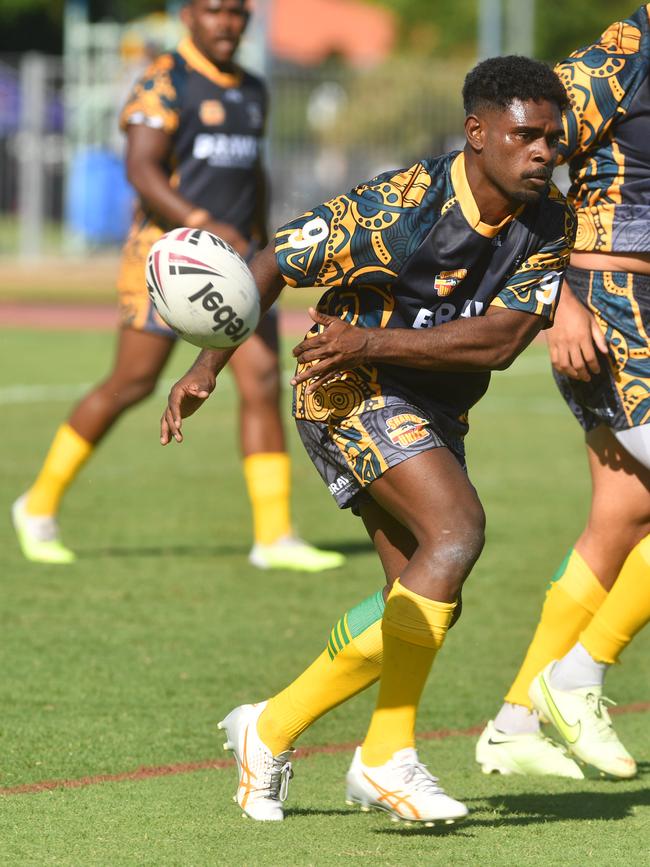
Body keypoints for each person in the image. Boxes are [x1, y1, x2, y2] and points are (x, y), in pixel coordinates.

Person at [160, 55, 574, 823]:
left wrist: (372, 343)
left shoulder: (551, 220)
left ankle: (269, 727)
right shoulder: (395, 207)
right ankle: (387, 758)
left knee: (418, 595)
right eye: (527, 136)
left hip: (417, 391)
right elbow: (275, 260)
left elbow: (501, 340)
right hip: (342, 386)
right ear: (477, 133)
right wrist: (207, 364)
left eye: (554, 136)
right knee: (456, 532)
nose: (545, 151)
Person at [11, 0, 344, 574]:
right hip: (165, 265)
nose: (228, 23)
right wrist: (199, 219)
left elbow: (252, 173)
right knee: (133, 382)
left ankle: (274, 536)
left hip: (240, 268)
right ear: (189, 15)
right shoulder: (164, 81)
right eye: (215, 11)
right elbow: (140, 169)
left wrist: (263, 245)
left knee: (262, 380)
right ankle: (36, 505)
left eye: (238, 13)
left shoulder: (253, 88)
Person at [477, 5, 650, 782]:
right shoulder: (624, 54)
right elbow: (514, 169)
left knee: (622, 519)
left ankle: (515, 721)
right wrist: (559, 300)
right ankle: (578, 674)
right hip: (613, 307)